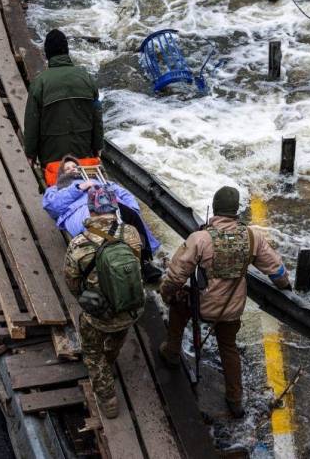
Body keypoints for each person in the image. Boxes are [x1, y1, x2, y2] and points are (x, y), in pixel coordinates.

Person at [158, 185, 291, 418]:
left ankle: (171, 352)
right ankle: (235, 398)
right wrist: (286, 287)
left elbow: (176, 275)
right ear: (236, 210)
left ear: (216, 208)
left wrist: (166, 294)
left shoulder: (201, 238)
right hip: (231, 310)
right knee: (228, 348)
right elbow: (277, 271)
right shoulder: (252, 237)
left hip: (202, 306)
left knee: (179, 307)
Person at [65, 186, 144, 419]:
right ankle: (110, 360)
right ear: (114, 207)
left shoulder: (79, 243)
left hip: (100, 315)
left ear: (90, 210)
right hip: (131, 309)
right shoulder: (131, 233)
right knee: (117, 337)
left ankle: (107, 398)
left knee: (92, 352)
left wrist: (88, 295)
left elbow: (71, 282)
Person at [43, 155, 163, 282]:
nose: (72, 169)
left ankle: (144, 260)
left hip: (110, 204)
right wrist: (79, 188)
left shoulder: (97, 179)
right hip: (80, 211)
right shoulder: (56, 189)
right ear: (61, 174)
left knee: (131, 216)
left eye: (74, 166)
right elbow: (52, 207)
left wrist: (133, 207)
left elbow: (123, 193)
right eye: (67, 168)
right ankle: (115, 266)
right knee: (105, 228)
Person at [24, 29, 104, 168]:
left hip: (52, 159)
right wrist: (98, 147)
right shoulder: (87, 78)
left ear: (47, 54)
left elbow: (32, 123)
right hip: (83, 155)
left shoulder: (40, 82)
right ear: (67, 51)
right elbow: (97, 117)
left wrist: (30, 154)